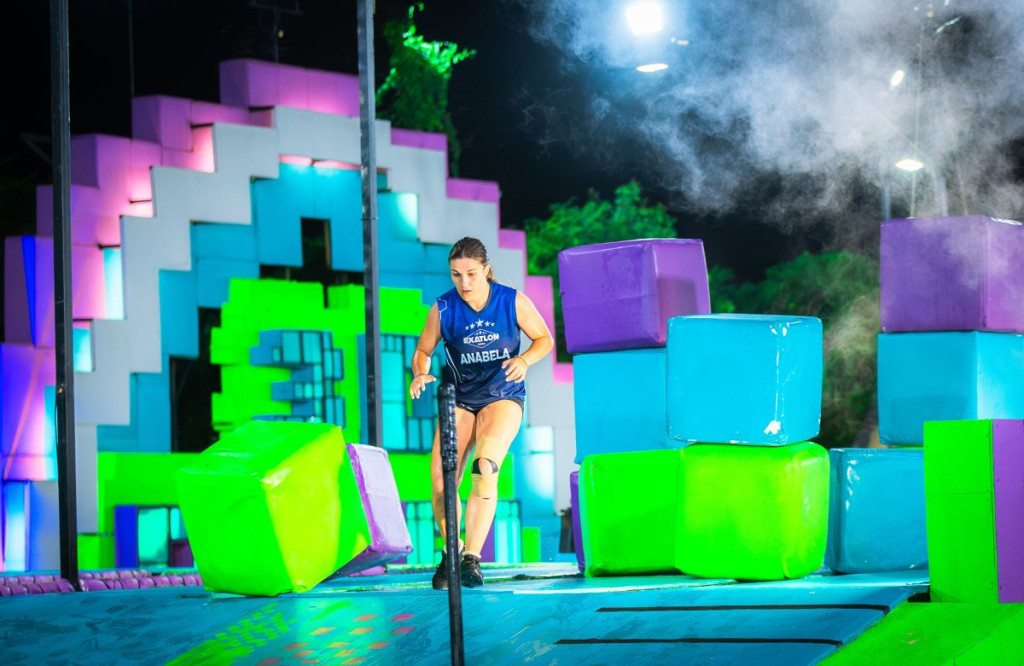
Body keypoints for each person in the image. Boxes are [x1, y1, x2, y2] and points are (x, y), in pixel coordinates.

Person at [409, 236, 553, 588]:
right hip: (460, 400)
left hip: (501, 395)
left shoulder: (511, 301)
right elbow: (423, 351)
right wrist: (419, 373)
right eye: (456, 275)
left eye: (471, 274)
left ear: (486, 270)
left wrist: (524, 360)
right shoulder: (443, 308)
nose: (465, 283)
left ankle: (471, 559)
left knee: (485, 467)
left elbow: (545, 339)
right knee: (442, 480)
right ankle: (452, 551)